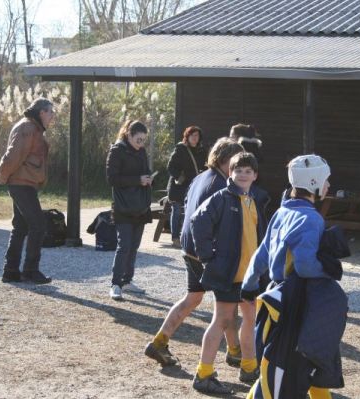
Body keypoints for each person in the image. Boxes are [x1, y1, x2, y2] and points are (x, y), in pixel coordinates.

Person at [242, 154, 348, 399]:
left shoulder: (281, 213)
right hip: (297, 303)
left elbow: (262, 253)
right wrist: (330, 269)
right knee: (296, 363)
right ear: (313, 182)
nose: (328, 185)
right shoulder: (311, 219)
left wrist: (248, 285)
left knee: (290, 365)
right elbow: (304, 265)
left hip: (277, 295)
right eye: (326, 180)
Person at [144, 137, 245, 367]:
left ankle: (160, 342)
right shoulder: (221, 186)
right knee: (227, 305)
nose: (239, 166)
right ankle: (232, 353)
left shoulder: (201, 177)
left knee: (194, 298)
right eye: (236, 160)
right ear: (223, 159)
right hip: (206, 252)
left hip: (190, 249)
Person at [190, 152, 268, 394]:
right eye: (238, 170)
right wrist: (207, 257)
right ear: (230, 173)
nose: (243, 175)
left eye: (248, 171)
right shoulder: (221, 199)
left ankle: (249, 367)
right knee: (222, 321)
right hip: (227, 274)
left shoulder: (255, 200)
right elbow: (197, 222)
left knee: (250, 318)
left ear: (255, 175)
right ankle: (203, 374)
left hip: (250, 276)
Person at [0, 98, 55, 285]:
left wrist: (3, 175)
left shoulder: (32, 127)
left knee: (20, 226)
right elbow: (13, 155)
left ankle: (10, 271)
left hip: (24, 183)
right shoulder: (28, 128)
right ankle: (30, 271)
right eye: (51, 112)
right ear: (42, 112)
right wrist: (2, 175)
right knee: (38, 224)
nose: (53, 117)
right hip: (21, 184)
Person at [106, 120, 153, 300]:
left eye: (143, 140)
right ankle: (115, 283)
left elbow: (145, 171)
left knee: (134, 246)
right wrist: (137, 180)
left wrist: (148, 179)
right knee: (124, 245)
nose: (141, 143)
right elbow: (112, 179)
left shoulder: (141, 151)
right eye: (138, 139)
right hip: (123, 205)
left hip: (140, 205)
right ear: (129, 135)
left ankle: (127, 280)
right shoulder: (117, 150)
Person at [166, 126, 207, 248]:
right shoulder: (180, 149)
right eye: (192, 135)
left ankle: (187, 237)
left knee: (192, 211)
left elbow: (203, 167)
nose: (195, 138)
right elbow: (170, 167)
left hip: (193, 186)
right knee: (177, 211)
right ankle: (175, 238)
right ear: (187, 137)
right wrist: (179, 176)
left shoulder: (202, 151)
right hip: (179, 186)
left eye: (197, 136)